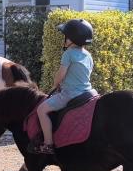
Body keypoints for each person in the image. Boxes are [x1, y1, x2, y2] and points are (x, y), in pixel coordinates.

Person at [31, 19, 95, 155]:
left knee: (42, 110)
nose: (64, 38)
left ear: (72, 39)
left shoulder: (68, 54)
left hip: (71, 94)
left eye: (66, 36)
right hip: (88, 92)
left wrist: (56, 84)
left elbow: (61, 75)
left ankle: (48, 144)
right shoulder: (88, 55)